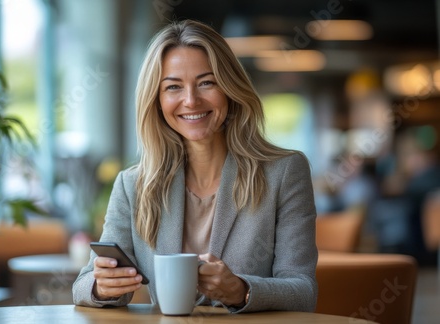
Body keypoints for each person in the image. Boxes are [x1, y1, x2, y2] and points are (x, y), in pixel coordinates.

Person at [72, 19, 318, 313]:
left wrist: (241, 291)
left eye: (206, 83)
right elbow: (83, 285)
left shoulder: (285, 172)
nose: (191, 100)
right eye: (173, 87)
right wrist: (103, 286)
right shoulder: (133, 185)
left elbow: (303, 291)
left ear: (229, 87)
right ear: (157, 101)